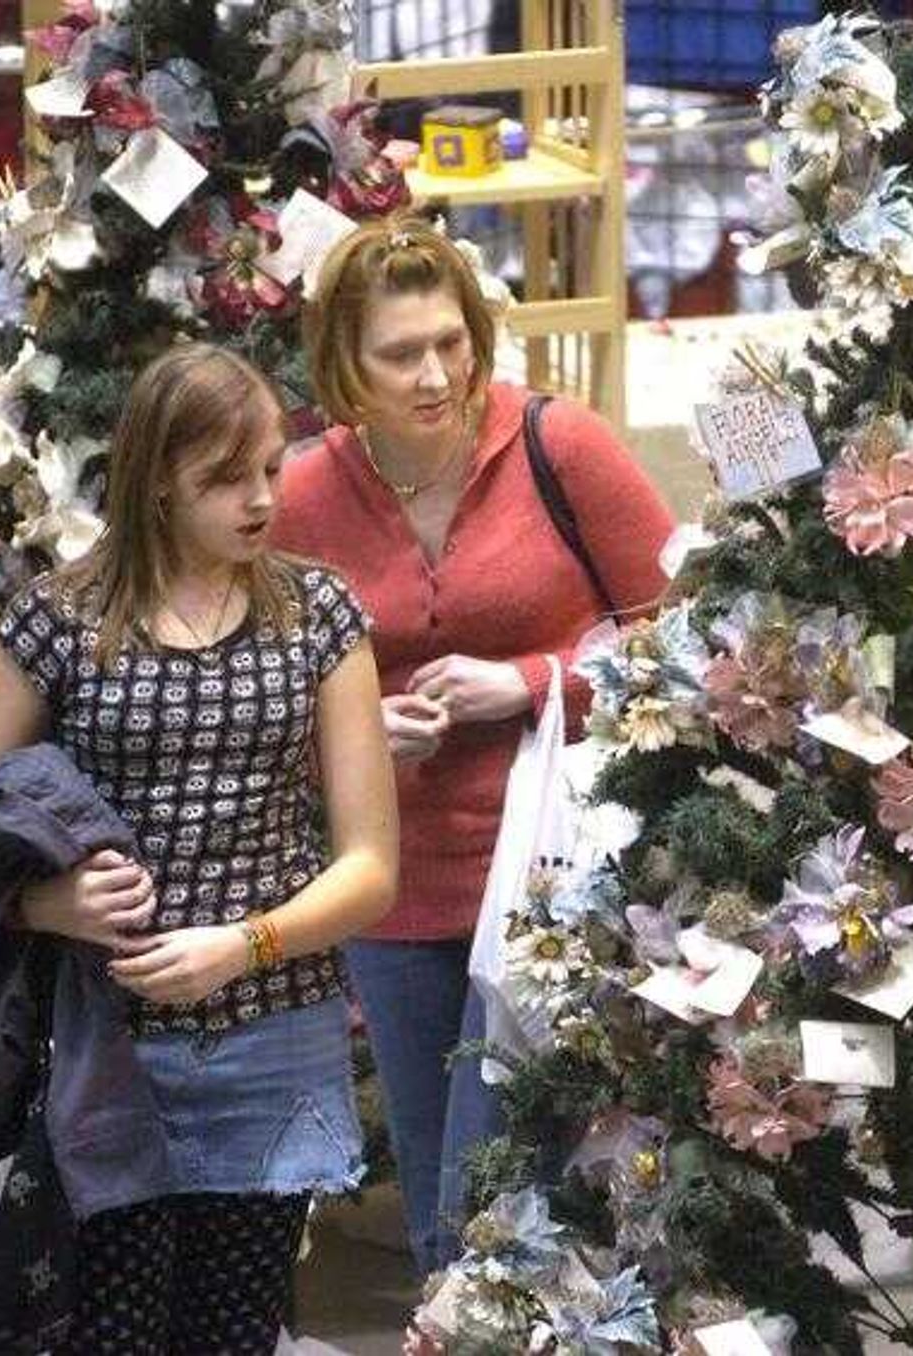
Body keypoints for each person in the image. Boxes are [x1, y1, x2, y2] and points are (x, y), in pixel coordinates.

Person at [0, 343, 398, 1354]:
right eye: (225, 476)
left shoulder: (322, 616)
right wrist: (47, 908)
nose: (261, 497)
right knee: (109, 1334)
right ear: (155, 478)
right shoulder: (58, 619)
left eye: (271, 466)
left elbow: (369, 871)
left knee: (234, 1333)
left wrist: (244, 944)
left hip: (273, 1039)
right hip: (104, 1049)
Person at [276, 215, 675, 1275]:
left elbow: (682, 642)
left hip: (556, 886)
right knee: (439, 1206)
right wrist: (354, 734)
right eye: (400, 354)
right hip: (396, 894)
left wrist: (534, 682)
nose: (434, 373)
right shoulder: (303, 495)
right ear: (343, 370)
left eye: (450, 342)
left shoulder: (561, 444)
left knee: (485, 1199)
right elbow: (258, 693)